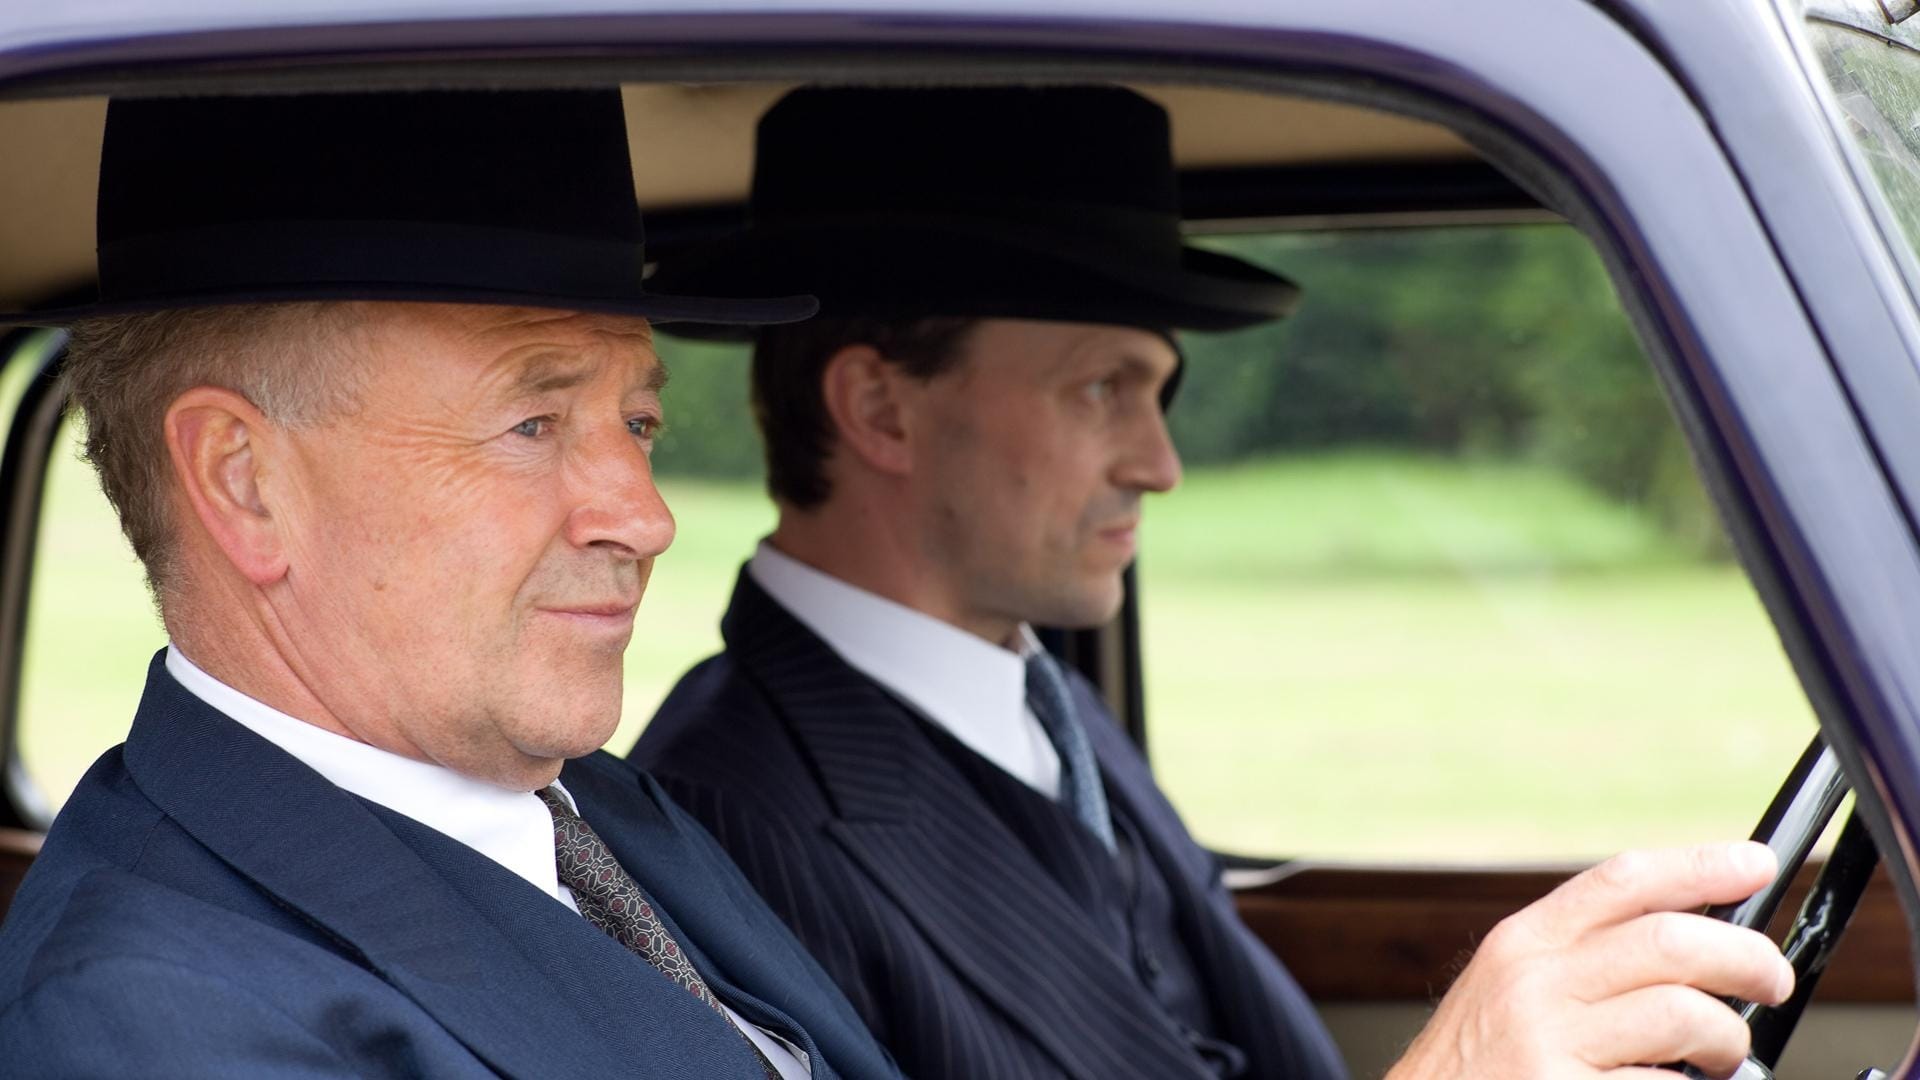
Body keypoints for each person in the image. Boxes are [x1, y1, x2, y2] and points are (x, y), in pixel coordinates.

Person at [632, 85, 1794, 1080]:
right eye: (1102, 389)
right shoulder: (721, 817)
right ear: (881, 408)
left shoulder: (1046, 707)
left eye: (1160, 394)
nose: (1161, 464)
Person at [0, 88, 901, 1079]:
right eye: (532, 425)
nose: (648, 519)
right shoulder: (146, 1013)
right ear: (244, 483)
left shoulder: (594, 806)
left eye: (637, 424)